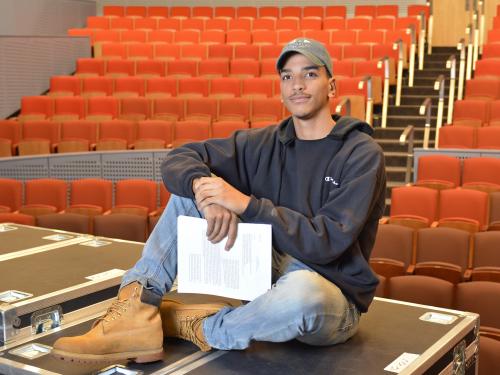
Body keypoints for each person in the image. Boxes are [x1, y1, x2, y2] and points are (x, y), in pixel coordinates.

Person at [52, 38, 386, 363]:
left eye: (310, 74)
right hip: (265, 274)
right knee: (191, 195)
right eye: (288, 76)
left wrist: (245, 204)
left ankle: (202, 327)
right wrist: (205, 192)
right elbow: (180, 158)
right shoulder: (265, 142)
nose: (297, 84)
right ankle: (137, 307)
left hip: (328, 294)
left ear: (332, 85)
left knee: (303, 294)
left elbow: (327, 243)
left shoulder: (360, 153)